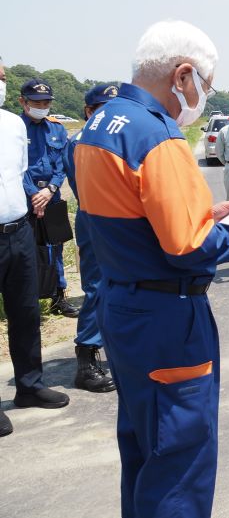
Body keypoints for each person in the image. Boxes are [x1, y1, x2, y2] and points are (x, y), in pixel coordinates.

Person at [74, 20, 229, 518]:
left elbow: (129, 217)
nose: (200, 100)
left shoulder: (98, 126)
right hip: (168, 317)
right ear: (182, 75)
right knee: (180, 459)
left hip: (122, 304)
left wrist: (202, 215)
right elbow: (188, 250)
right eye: (204, 87)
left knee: (145, 449)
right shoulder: (158, 134)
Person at [0, 59, 70, 437]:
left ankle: (29, 385)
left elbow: (22, 169)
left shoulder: (12, 126)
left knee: (26, 311)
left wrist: (45, 193)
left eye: (1, 77)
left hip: (19, 229)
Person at [63, 83, 119, 393]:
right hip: (97, 218)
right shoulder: (80, 142)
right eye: (102, 108)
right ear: (88, 111)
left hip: (118, 220)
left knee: (122, 285)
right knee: (97, 288)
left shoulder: (113, 137)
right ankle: (86, 357)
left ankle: (112, 346)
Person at [18, 78, 80, 317]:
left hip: (51, 198)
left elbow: (61, 165)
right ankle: (28, 299)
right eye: (36, 102)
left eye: (46, 102)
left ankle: (58, 297)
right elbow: (15, 166)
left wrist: (51, 189)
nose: (42, 106)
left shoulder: (56, 128)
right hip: (25, 199)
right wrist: (34, 194)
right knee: (26, 251)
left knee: (55, 247)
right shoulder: (15, 127)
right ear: (23, 102)